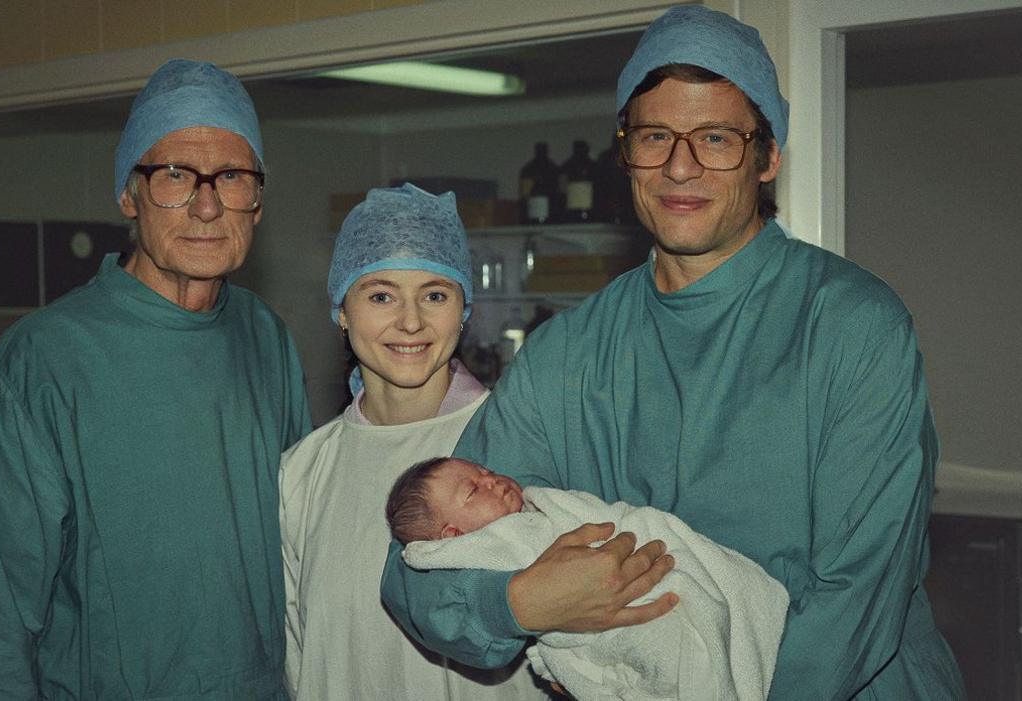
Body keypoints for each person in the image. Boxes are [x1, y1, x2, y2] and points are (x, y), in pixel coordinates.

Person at [381, 6, 966, 700]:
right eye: (656, 135)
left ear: (768, 156)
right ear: (624, 152)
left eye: (715, 137)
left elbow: (857, 593)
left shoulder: (851, 326)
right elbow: (415, 568)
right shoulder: (568, 354)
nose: (680, 166)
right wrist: (521, 603)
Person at [0, 59, 312, 700]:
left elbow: (305, 546)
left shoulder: (265, 338)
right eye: (175, 176)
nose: (206, 206)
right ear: (129, 195)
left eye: (232, 177)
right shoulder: (47, 358)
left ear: (257, 202)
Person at [279, 184, 546, 700]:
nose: (410, 321)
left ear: (463, 311)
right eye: (380, 295)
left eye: (435, 295)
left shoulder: (516, 443)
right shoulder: (302, 474)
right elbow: (298, 654)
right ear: (341, 310)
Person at [388, 456, 789, 700]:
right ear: (453, 537)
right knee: (671, 664)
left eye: (486, 471)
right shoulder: (488, 549)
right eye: (474, 491)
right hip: (603, 634)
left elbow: (608, 519)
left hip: (650, 573)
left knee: (698, 617)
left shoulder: (544, 508)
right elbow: (423, 563)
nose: (492, 480)